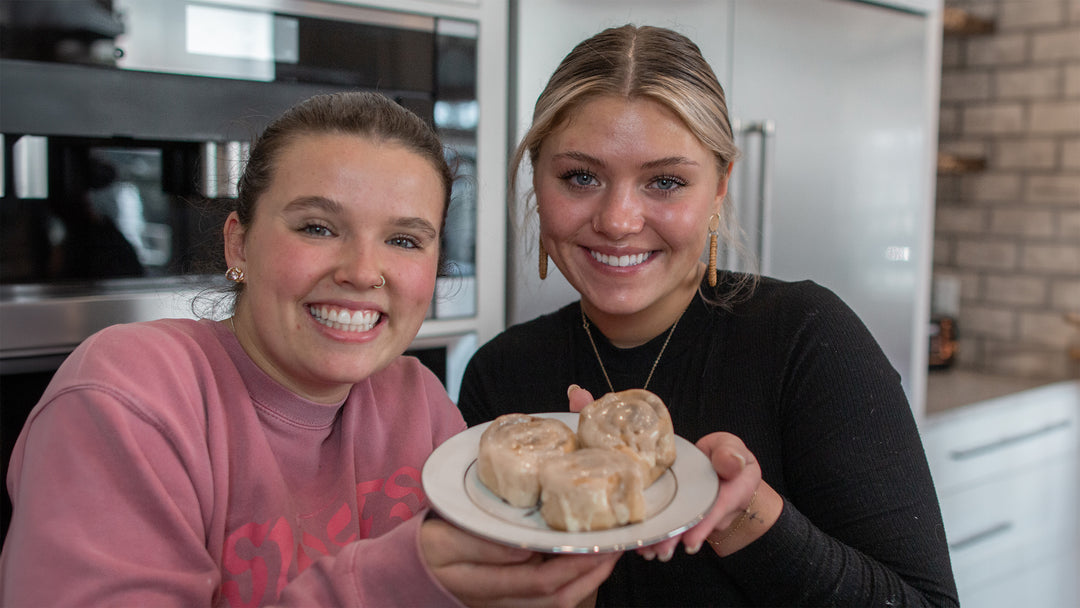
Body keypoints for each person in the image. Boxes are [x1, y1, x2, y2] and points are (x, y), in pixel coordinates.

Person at [0, 91, 620, 607]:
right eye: (318, 228)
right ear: (239, 245)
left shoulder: (416, 401)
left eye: (404, 239)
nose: (362, 271)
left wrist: (561, 546)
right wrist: (395, 579)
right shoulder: (128, 395)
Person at [457, 25, 959, 607]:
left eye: (665, 181)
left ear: (719, 187)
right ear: (538, 183)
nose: (618, 220)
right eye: (580, 177)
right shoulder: (501, 377)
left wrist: (743, 517)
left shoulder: (806, 339)